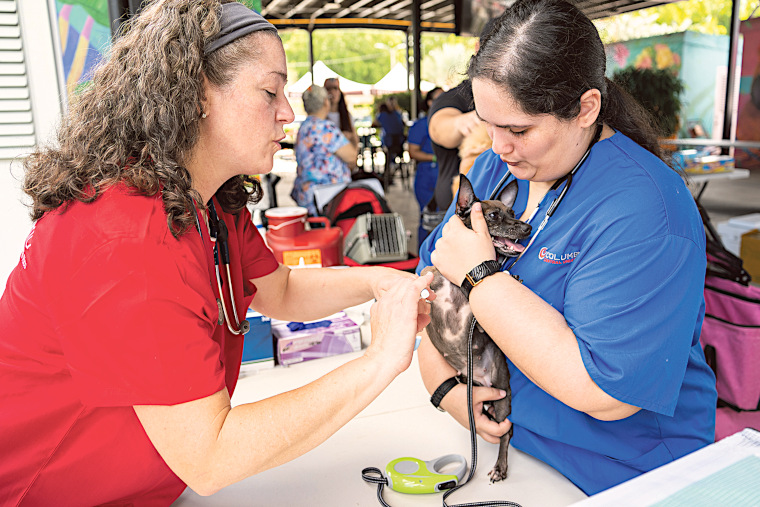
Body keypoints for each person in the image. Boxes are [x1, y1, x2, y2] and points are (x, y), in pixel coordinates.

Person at [0, 2, 435, 505]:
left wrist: (378, 283)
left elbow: (284, 292)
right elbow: (210, 456)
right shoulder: (124, 237)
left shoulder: (205, 200)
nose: (288, 114)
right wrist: (379, 360)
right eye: (270, 91)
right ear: (200, 93)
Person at [416, 0, 717, 496]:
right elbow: (432, 280)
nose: (497, 146)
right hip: (510, 449)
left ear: (585, 109)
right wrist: (442, 380)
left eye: (517, 130)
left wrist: (481, 279)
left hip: (619, 473)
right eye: (487, 124)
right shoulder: (503, 169)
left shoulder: (645, 209)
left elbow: (603, 390)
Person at [426, 18, 498, 216]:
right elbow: (440, 128)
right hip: (456, 209)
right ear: (478, 48)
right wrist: (464, 122)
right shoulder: (457, 97)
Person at [291, 85, 356, 215]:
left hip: (307, 196)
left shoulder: (303, 127)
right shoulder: (325, 128)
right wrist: (352, 135)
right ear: (326, 102)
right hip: (328, 199)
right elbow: (351, 156)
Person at [408, 86, 443, 244]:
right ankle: (422, 260)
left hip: (446, 177)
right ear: (430, 102)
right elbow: (412, 152)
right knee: (428, 219)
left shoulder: (451, 124)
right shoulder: (421, 125)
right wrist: (435, 158)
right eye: (439, 98)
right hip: (427, 179)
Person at [372, 99, 406, 180]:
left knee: (385, 151)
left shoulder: (382, 115)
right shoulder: (398, 114)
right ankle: (390, 171)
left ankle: (387, 173)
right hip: (400, 145)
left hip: (389, 145)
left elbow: (374, 124)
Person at [324, 77, 360, 147]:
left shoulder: (347, 116)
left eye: (335, 88)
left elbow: (355, 140)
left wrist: (349, 136)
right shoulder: (320, 116)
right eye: (328, 89)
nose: (332, 92)